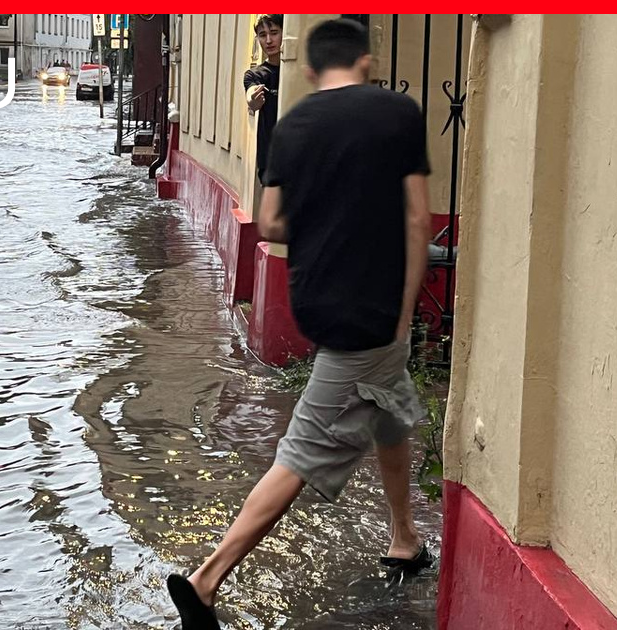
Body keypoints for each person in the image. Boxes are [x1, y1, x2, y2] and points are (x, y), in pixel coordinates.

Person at [167, 18, 433, 630]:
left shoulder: (292, 124)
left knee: (389, 406)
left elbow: (270, 222)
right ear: (366, 59)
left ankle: (403, 536)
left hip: (317, 301)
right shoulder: (398, 114)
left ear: (310, 70)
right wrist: (402, 308)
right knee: (303, 449)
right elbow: (419, 219)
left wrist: (325, 219)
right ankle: (207, 581)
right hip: (371, 311)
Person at [243, 15, 283, 186]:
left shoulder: (300, 70)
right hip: (270, 159)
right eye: (262, 35)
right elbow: (251, 94)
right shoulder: (256, 74)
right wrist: (253, 99)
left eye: (274, 33)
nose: (268, 40)